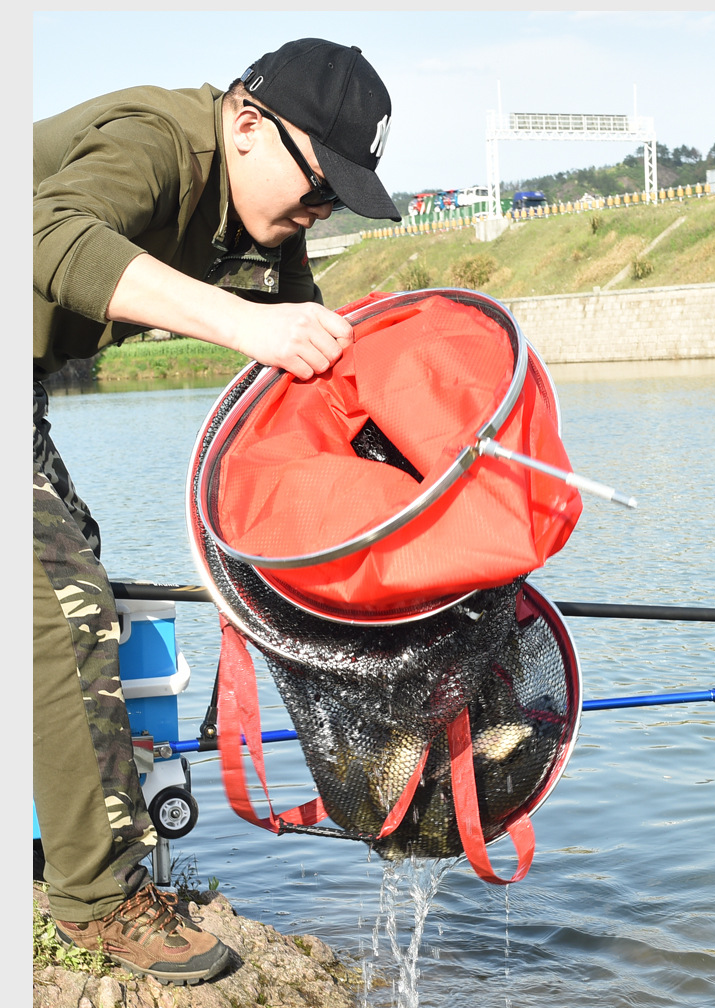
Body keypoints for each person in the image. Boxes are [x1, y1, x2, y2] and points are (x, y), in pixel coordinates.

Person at [33, 37, 401, 986]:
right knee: (58, 603)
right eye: (317, 187)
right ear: (246, 125)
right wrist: (244, 325)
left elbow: (328, 391)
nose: (318, 214)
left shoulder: (263, 227)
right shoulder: (160, 140)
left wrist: (401, 491)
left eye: (338, 202)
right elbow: (42, 236)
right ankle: (97, 899)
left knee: (78, 566)